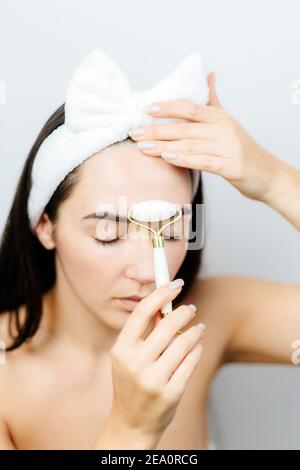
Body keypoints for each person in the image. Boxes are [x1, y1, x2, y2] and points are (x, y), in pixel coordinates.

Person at [0, 73, 299, 450]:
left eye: (172, 233)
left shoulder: (208, 316)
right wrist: (132, 431)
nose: (146, 271)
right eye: (108, 232)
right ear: (45, 226)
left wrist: (277, 182)